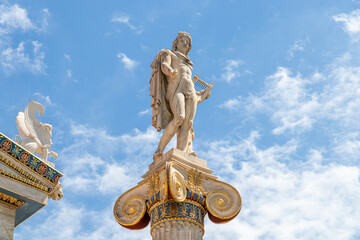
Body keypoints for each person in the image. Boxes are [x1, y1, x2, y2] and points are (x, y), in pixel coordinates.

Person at [150, 32, 212, 159]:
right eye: (182, 40)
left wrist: (201, 94)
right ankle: (159, 150)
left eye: (188, 42)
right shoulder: (169, 53)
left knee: (188, 123)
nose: (185, 43)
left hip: (190, 91)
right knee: (179, 117)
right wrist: (170, 71)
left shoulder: (189, 63)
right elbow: (164, 65)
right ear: (176, 43)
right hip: (175, 89)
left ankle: (183, 153)